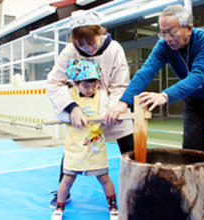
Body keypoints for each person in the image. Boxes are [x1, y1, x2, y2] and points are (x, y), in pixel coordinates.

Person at [106, 4, 204, 208]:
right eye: (162, 33)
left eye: (172, 32)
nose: (167, 38)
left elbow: (198, 76)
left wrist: (165, 95)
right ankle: (193, 190)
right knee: (191, 146)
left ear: (188, 29)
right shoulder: (164, 46)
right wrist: (123, 102)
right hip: (195, 101)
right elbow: (145, 72)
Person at [46, 10, 133, 208]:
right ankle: (63, 193)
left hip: (111, 108)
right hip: (83, 111)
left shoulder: (114, 49)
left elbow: (120, 85)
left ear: (100, 33)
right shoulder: (69, 51)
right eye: (81, 44)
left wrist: (113, 108)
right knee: (74, 148)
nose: (87, 48)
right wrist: (72, 107)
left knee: (129, 148)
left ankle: (139, 188)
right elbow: (54, 82)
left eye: (91, 42)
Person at [51, 58, 119, 220]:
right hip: (74, 146)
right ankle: (59, 208)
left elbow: (106, 113)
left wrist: (109, 117)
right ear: (75, 84)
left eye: (94, 85)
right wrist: (70, 115)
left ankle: (114, 208)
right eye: (86, 86)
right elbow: (59, 113)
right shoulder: (69, 96)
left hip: (95, 146)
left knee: (104, 177)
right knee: (67, 178)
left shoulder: (101, 96)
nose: (90, 90)